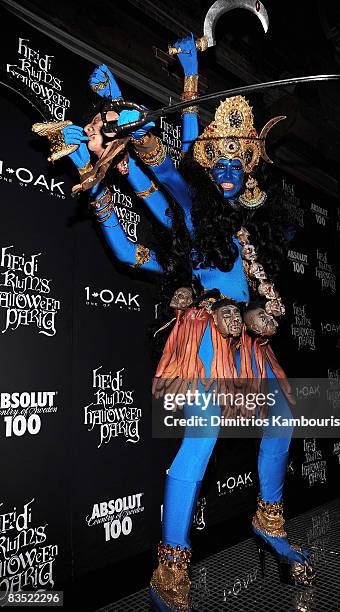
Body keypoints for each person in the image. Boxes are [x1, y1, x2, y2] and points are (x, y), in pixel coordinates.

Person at [36, 34, 315, 611]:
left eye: (242, 162)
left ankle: (269, 517)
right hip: (209, 335)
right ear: (211, 169)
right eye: (222, 162)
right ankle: (170, 570)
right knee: (204, 437)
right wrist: (134, 130)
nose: (232, 172)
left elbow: (256, 275)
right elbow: (166, 174)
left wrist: (260, 310)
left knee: (283, 417)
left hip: (249, 340)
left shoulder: (249, 228)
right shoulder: (193, 205)